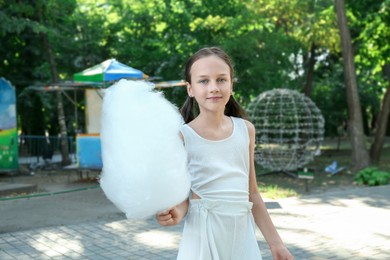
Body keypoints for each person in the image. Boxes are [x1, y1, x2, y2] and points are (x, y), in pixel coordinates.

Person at [156, 47, 294, 260]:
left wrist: (276, 244)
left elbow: (253, 194)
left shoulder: (246, 130)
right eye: (203, 81)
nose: (213, 87)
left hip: (241, 238)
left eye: (221, 79)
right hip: (203, 240)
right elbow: (187, 197)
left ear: (231, 85)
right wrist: (176, 213)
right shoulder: (183, 137)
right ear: (190, 88)